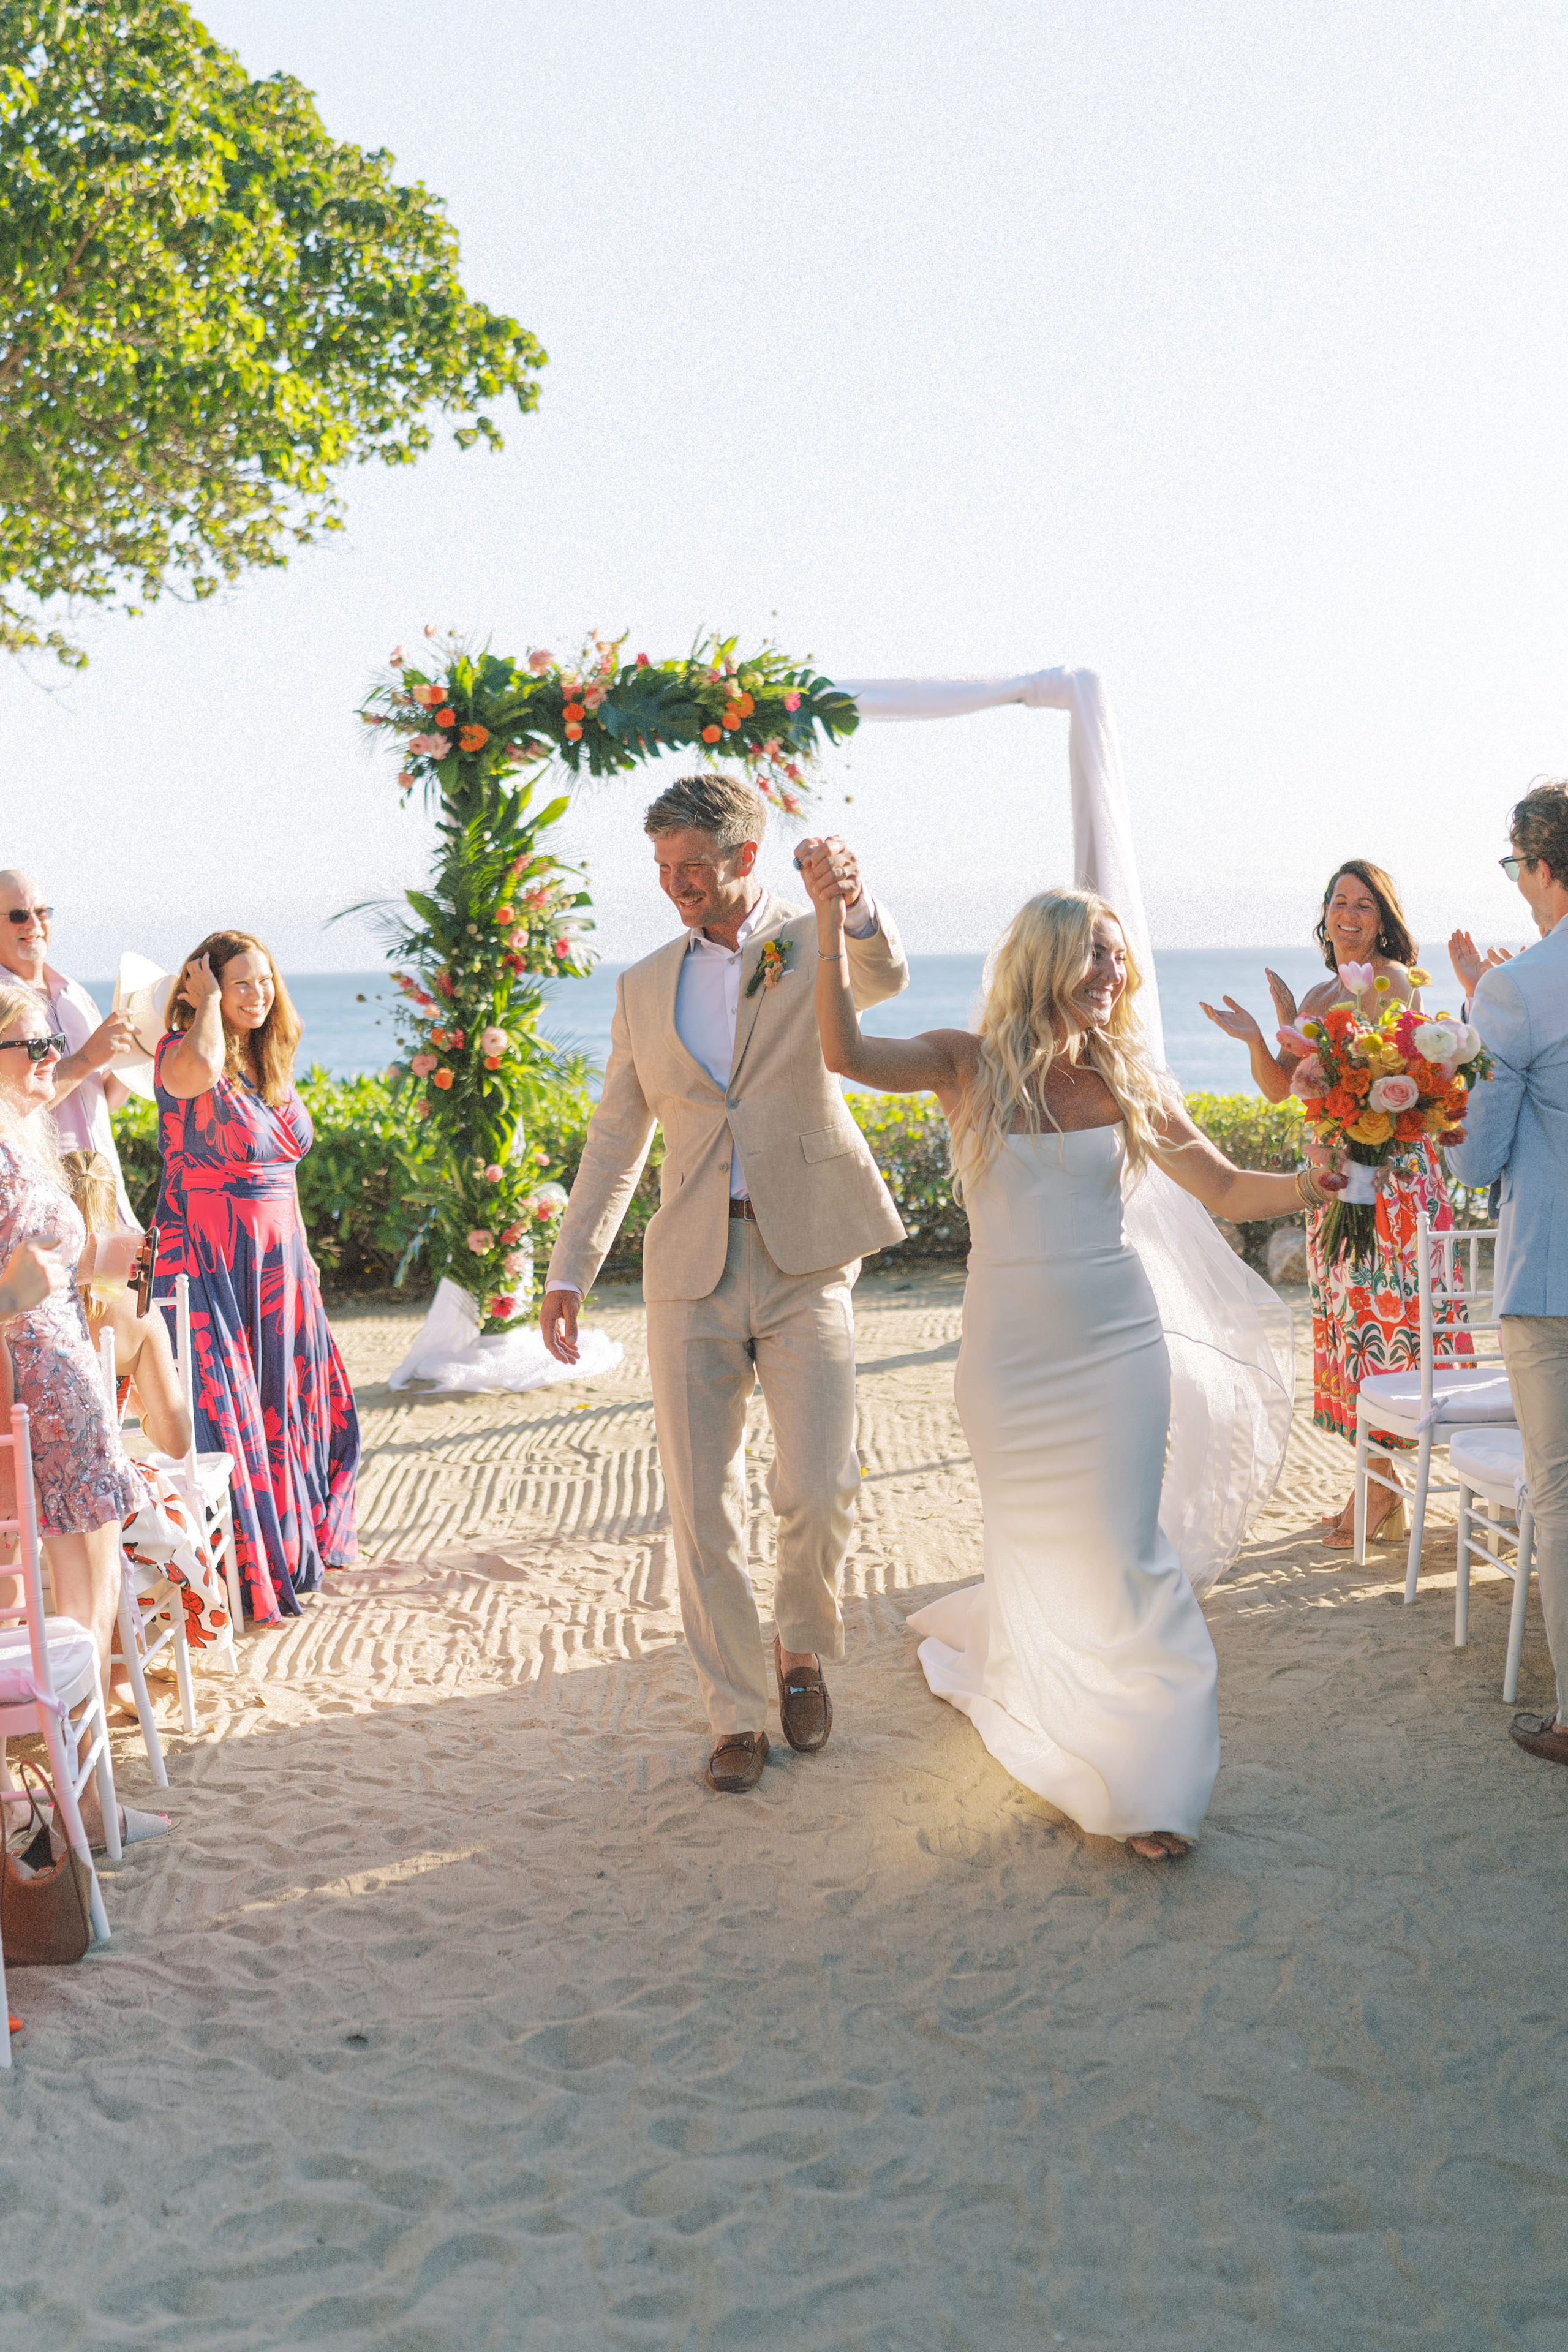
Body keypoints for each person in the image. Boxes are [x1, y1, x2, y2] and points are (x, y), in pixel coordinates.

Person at [807, 875, 1344, 1860]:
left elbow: (1223, 1187)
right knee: (1041, 1550)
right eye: (1095, 951)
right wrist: (829, 920)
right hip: (1010, 1359)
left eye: (1118, 952)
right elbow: (842, 1052)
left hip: (1117, 1346)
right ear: (1046, 961)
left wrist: (1315, 1183)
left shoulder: (1128, 1081)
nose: (1115, 970)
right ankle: (1055, 1698)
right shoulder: (962, 1064)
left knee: (1127, 1554)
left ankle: (1152, 1784)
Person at [540, 774, 909, 1794]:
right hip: (688, 1269)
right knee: (702, 1507)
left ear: (746, 858)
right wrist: (571, 1269)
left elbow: (883, 975)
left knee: (821, 1484)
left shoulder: (806, 942)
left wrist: (853, 902)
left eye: (693, 868)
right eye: (663, 871)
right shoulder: (641, 985)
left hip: (805, 1257)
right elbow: (616, 1138)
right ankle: (734, 1713)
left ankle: (801, 1648)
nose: (677, 888)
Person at [1199, 859, 1453, 1547]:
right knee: (1349, 1330)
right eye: (1339, 901)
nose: (1349, 914)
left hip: (1388, 1184)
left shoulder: (1393, 980)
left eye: (1364, 904)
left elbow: (1376, 1072)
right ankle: (1375, 1493)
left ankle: (1378, 1494)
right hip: (1334, 1183)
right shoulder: (1318, 990)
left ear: (1383, 920)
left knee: (1384, 1329)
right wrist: (1264, 1034)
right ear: (1325, 914)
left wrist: (1306, 1039)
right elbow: (1284, 1091)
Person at [0, 981, 165, 1849]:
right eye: (29, 1048)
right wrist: (25, 1283)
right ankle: (86, 1808)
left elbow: (49, 1262)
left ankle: (91, 1802)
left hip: (61, 1381)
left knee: (92, 1606)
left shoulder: (20, 1140)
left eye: (46, 1046)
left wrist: (113, 1254)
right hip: (39, 1394)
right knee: (81, 1610)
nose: (46, 1062)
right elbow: (7, 1284)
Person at [154, 930, 359, 1623]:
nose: (258, 994)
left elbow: (286, 1178)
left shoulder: (269, 1066)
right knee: (232, 1420)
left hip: (281, 1271)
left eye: (264, 981)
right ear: (202, 989)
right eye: (240, 983)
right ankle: (245, 1575)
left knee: (296, 1409)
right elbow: (201, 1064)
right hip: (211, 1266)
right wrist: (204, 1004)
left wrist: (308, 1269)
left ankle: (293, 1551)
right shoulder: (180, 1058)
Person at [1445, 782, 1568, 1769]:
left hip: (1555, 1276)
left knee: (1561, 1492)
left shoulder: (1520, 986)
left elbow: (1478, 1161)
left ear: (1537, 865)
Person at [64, 1150, 233, 1656]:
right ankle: (122, 1664)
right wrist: (140, 1401)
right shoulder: (135, 1313)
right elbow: (178, 1440)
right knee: (152, 1496)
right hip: (96, 1493)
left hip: (20, 1495)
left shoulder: (21, 1304)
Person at [0, 869, 141, 1227]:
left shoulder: (74, 993)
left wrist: (138, 1050)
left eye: (42, 912)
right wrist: (87, 1058)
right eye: (18, 915)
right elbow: (11, 1105)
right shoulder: (4, 1002)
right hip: (42, 1198)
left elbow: (102, 1101)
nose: (34, 923)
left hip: (102, 1191)